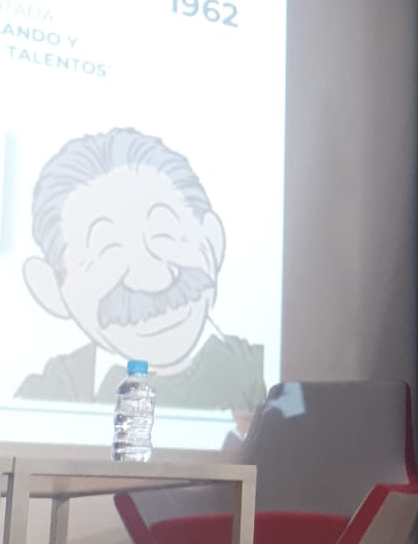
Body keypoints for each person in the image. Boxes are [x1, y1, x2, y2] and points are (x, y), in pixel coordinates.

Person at [17, 127, 265, 422]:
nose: (153, 278)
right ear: (51, 289)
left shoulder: (265, 376)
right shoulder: (46, 395)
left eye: (165, 233)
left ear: (213, 239)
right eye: (107, 251)